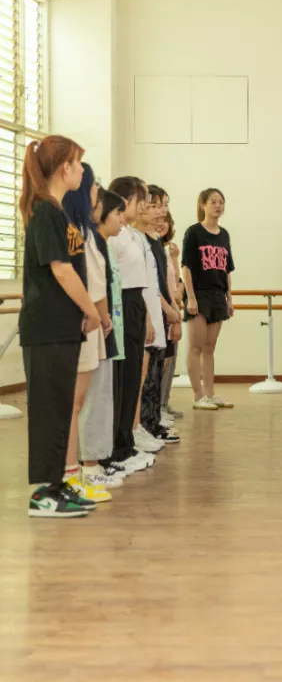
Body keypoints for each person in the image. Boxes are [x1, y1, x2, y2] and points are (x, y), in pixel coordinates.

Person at [19, 136, 100, 517]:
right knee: (49, 409)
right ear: (64, 167)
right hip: (47, 328)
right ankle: (43, 493)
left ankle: (57, 483)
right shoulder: (44, 210)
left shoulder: (57, 210)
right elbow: (61, 270)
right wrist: (91, 309)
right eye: (78, 164)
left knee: (61, 406)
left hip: (63, 327)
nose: (82, 171)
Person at [60, 166, 114, 504]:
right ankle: (68, 475)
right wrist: (99, 314)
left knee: (78, 403)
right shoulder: (72, 229)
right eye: (93, 185)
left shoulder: (86, 231)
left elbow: (98, 280)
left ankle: (73, 473)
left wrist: (102, 314)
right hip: (81, 322)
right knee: (72, 404)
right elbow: (87, 282)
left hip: (91, 322)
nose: (96, 191)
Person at [104, 177, 156, 476]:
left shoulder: (132, 235)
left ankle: (126, 443)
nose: (145, 205)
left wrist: (145, 315)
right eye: (141, 199)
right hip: (120, 303)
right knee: (121, 378)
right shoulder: (114, 236)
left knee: (133, 375)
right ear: (125, 201)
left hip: (134, 302)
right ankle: (115, 448)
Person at [80, 189, 127, 492]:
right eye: (118, 213)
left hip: (105, 326)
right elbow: (95, 287)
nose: (121, 220)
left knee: (101, 397)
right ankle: (89, 465)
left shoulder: (101, 244)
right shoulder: (91, 240)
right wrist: (103, 315)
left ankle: (95, 460)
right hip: (95, 327)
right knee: (92, 398)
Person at [182, 188, 235, 410]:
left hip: (217, 294)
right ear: (203, 205)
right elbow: (186, 267)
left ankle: (210, 394)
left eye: (221, 202)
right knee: (196, 347)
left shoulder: (224, 235)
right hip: (199, 294)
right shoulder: (194, 232)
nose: (218, 206)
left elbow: (227, 270)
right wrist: (191, 298)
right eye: (213, 202)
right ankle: (198, 396)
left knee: (210, 348)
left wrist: (229, 298)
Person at [137, 186, 181, 447]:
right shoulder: (137, 239)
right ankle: (143, 425)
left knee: (156, 370)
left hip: (160, 312)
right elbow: (145, 285)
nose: (162, 211)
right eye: (155, 205)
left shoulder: (155, 242)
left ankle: (152, 421)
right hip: (148, 314)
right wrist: (167, 309)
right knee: (145, 374)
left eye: (164, 205)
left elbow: (161, 284)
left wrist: (171, 308)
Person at [158, 210, 184, 423]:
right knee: (161, 362)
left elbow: (176, 280)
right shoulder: (152, 249)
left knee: (170, 360)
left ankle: (164, 403)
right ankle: (156, 408)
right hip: (162, 309)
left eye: (165, 220)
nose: (162, 223)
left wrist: (175, 258)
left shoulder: (167, 250)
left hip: (172, 308)